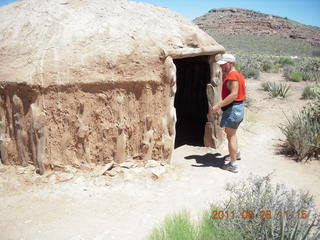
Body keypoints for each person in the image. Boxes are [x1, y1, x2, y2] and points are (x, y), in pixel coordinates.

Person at [210, 53, 246, 173]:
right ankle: (236, 154)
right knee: (232, 133)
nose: (221, 67)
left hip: (233, 109)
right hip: (237, 108)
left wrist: (218, 105)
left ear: (231, 63)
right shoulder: (238, 74)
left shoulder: (232, 77)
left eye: (224, 65)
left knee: (230, 135)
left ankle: (233, 164)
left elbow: (234, 94)